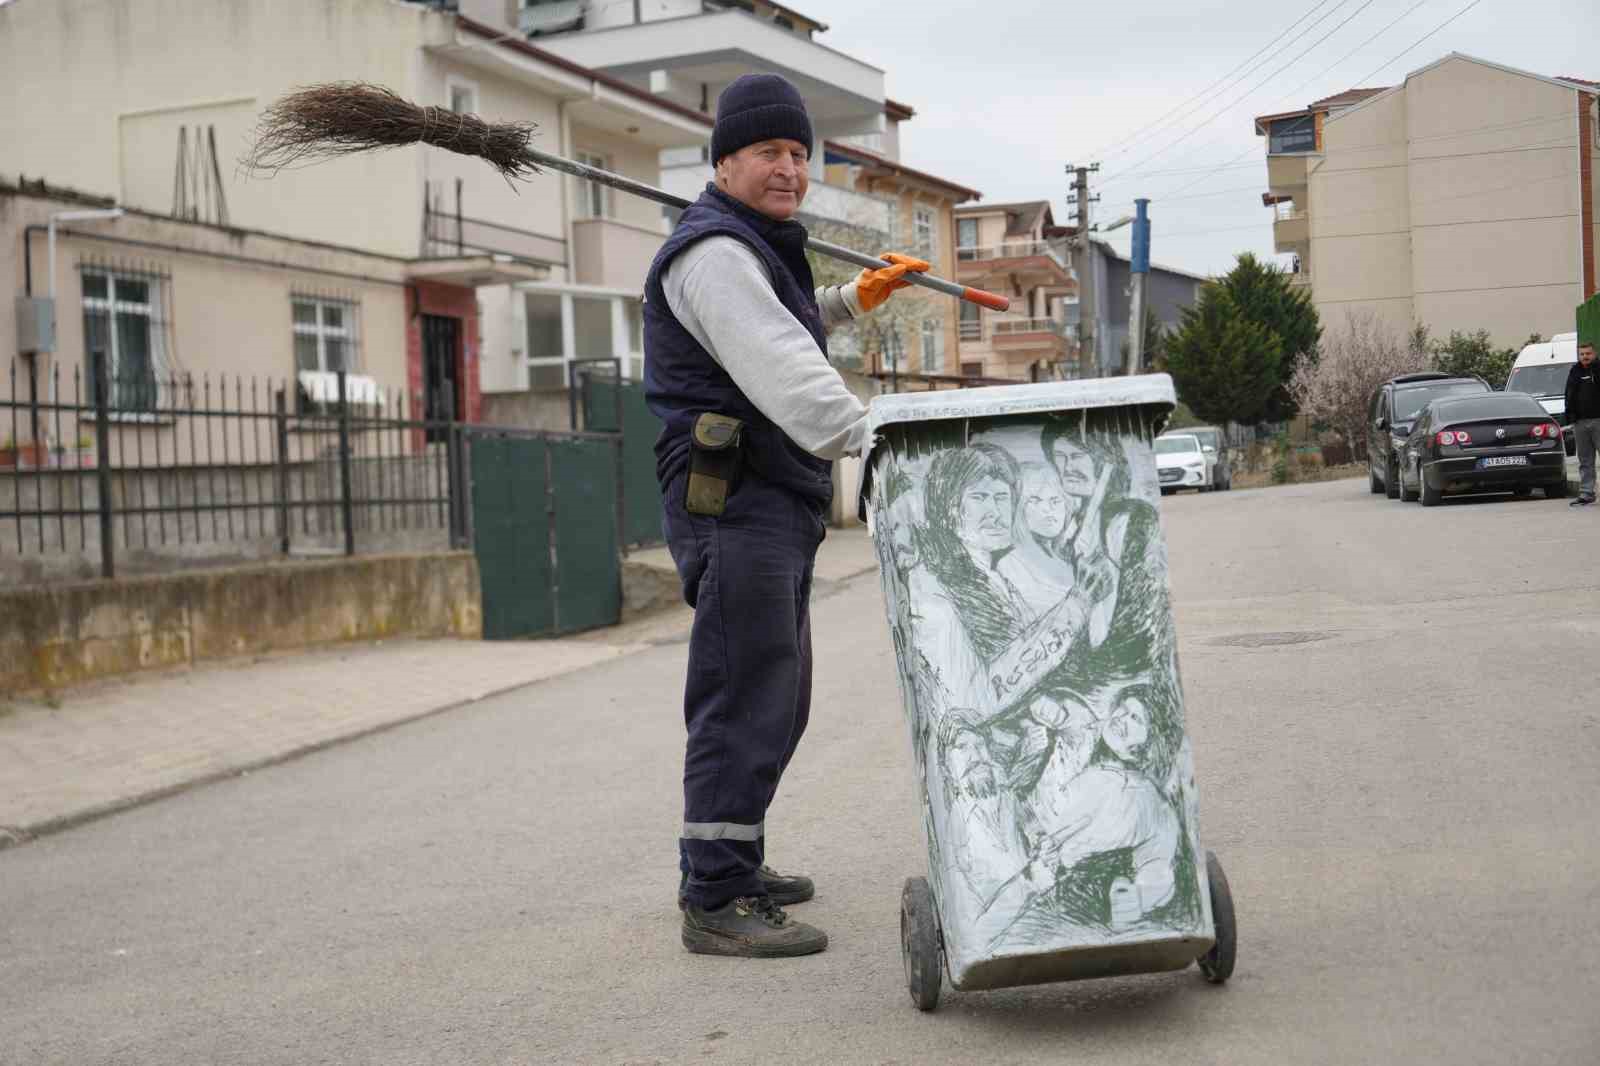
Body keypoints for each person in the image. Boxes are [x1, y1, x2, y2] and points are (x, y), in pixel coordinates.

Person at [644, 72, 930, 958]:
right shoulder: (715, 254)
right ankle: (716, 896)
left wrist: (850, 302)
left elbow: (784, 328)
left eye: (801, 154)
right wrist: (876, 436)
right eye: (770, 151)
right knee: (744, 694)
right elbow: (780, 367)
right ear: (724, 161)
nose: (790, 169)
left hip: (770, 494)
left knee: (778, 692)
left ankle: (734, 857)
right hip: (733, 499)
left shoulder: (750, 247)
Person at [1566, 340, 1598, 506]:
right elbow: (1569, 394)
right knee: (1585, 460)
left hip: (1598, 421)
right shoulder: (1574, 371)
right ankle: (1587, 492)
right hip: (1580, 423)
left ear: (1594, 354)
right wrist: (1570, 417)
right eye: (1582, 354)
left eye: (1588, 354)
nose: (1585, 357)